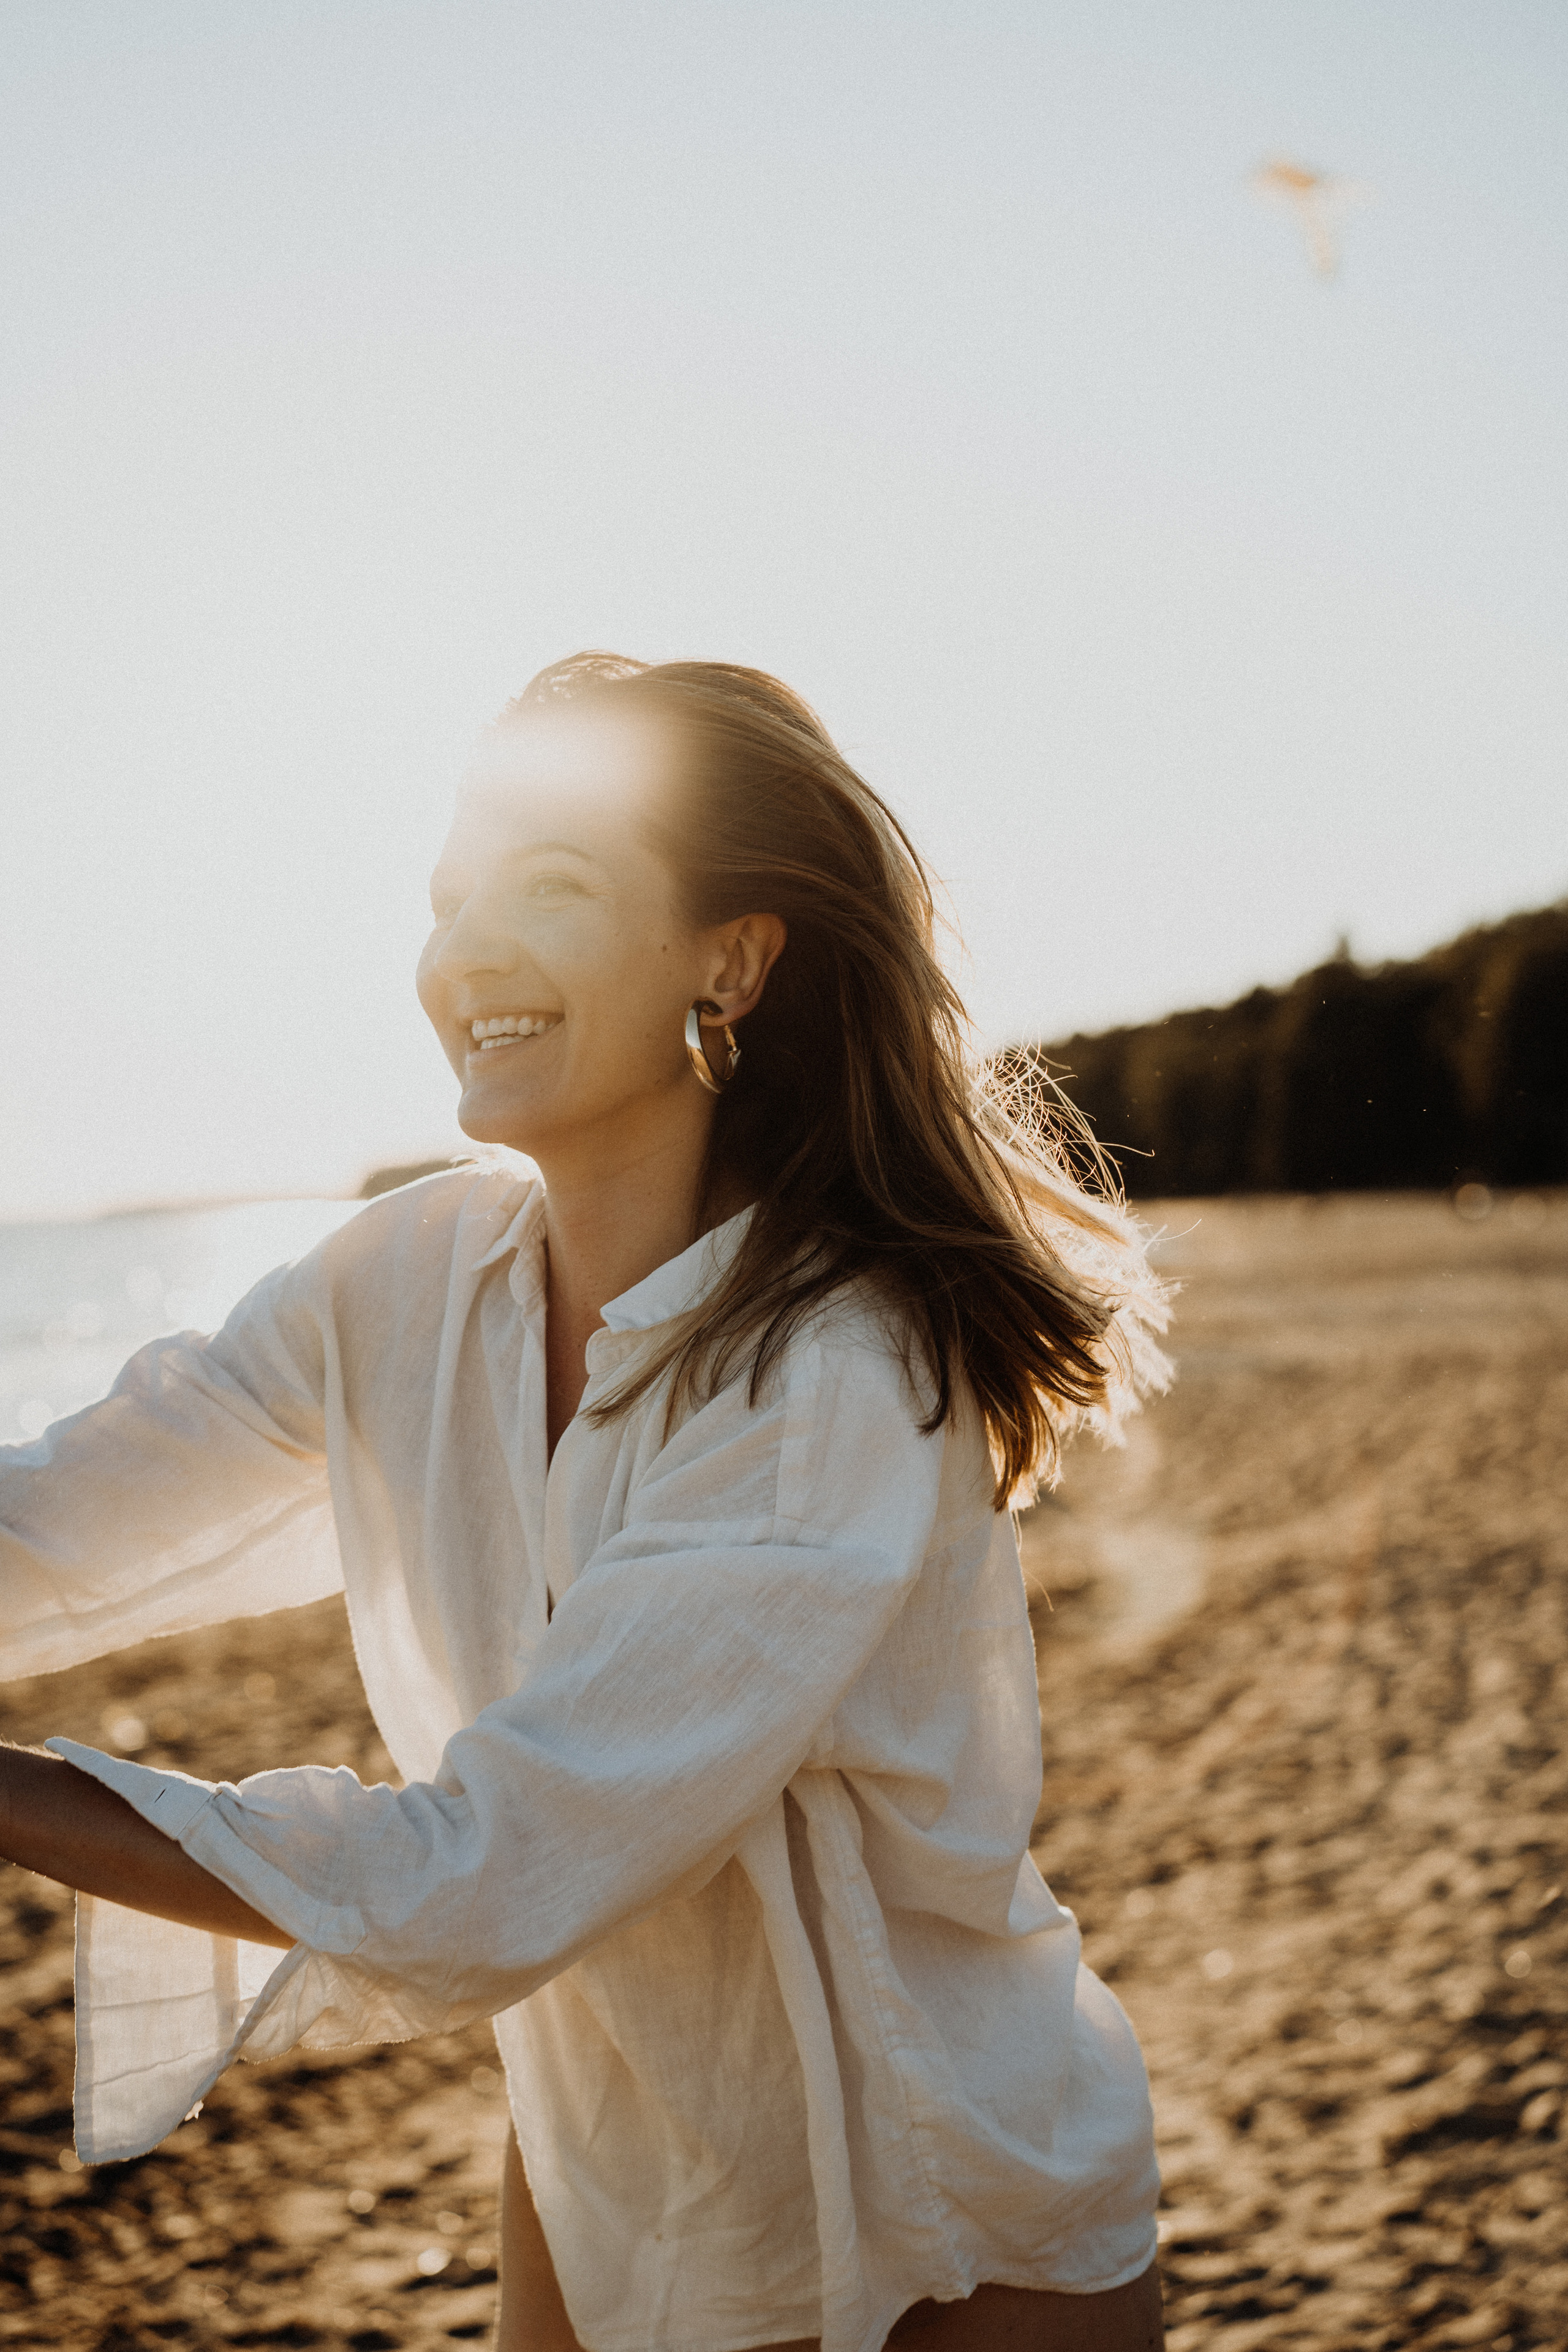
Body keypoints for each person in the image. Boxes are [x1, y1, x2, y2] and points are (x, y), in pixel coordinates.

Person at [0, 655, 1170, 2351]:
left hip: (933, 2228)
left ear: (734, 955)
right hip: (602, 2183)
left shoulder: (832, 1373)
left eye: (549, 884)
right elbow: (61, 1521)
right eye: (447, 895)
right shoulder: (402, 1279)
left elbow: (486, 1872)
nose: (467, 949)